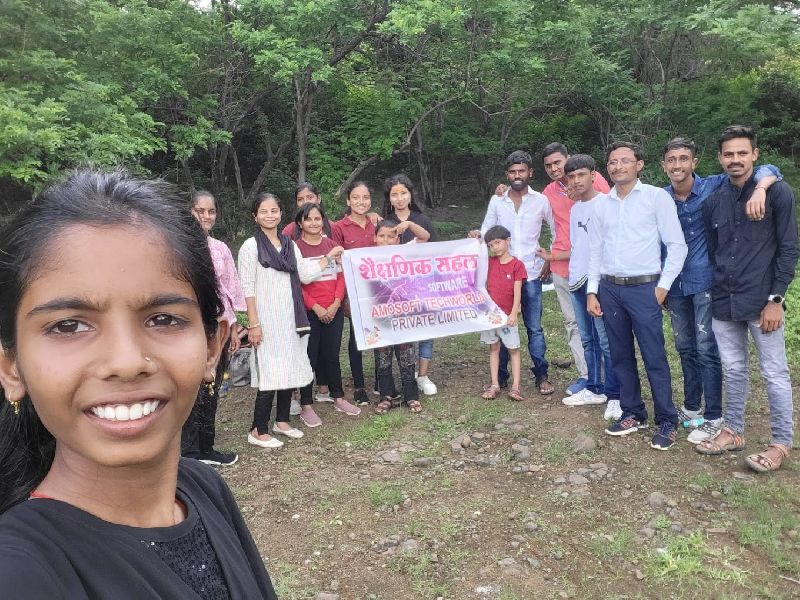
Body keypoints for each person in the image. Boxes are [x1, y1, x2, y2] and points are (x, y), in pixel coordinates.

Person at [0, 169, 277, 598]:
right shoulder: (19, 574)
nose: (127, 363)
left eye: (163, 319)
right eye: (69, 325)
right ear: (11, 367)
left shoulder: (204, 488)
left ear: (212, 346)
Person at [661, 137, 781, 444]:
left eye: (683, 158)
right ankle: (692, 406)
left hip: (706, 281)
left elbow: (769, 169)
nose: (677, 165)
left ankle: (714, 415)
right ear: (663, 165)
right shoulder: (659, 197)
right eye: (672, 160)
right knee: (684, 346)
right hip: (675, 284)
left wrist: (761, 188)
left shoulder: (713, 186)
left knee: (706, 348)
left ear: (695, 162)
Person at [697, 125, 798, 472]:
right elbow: (715, 251)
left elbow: (788, 249)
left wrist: (775, 299)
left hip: (762, 301)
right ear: (720, 159)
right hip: (724, 300)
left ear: (755, 154)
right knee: (734, 369)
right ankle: (733, 431)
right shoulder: (713, 202)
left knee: (774, 372)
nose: (735, 159)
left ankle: (781, 443)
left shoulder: (778, 193)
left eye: (742, 152)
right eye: (729, 154)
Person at [587, 142, 687, 450]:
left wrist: (663, 286)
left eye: (625, 160)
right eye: (612, 162)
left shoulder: (656, 198)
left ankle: (667, 419)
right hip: (610, 288)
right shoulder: (601, 205)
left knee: (653, 355)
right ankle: (633, 412)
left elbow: (677, 245)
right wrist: (592, 290)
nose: (618, 166)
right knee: (620, 354)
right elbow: (595, 250)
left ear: (639, 165)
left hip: (645, 288)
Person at [238, 192, 334, 448]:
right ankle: (257, 429)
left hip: (290, 318)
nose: (270, 215)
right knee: (270, 370)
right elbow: (247, 288)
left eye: (274, 211)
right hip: (266, 320)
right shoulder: (250, 247)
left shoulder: (290, 245)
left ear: (281, 214)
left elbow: (305, 274)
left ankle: (281, 421)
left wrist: (328, 258)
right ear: (255, 216)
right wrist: (254, 324)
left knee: (288, 367)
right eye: (264, 211)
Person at [469, 150, 556, 395]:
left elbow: (555, 229)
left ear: (530, 173)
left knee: (534, 327)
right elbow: (487, 230)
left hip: (531, 272)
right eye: (512, 172)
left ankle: (541, 375)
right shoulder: (498, 200)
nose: (517, 175)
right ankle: (501, 377)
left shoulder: (541, 201)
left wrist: (550, 257)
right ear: (507, 174)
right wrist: (476, 235)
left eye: (522, 171)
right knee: (502, 322)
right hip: (502, 274)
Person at [536, 143, 611, 396]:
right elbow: (550, 225)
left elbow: (607, 215)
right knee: (573, 324)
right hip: (562, 266)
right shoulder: (548, 192)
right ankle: (587, 376)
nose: (553, 168)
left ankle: (609, 378)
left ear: (568, 159)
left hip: (593, 267)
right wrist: (549, 259)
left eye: (557, 162)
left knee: (600, 325)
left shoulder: (593, 181)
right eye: (548, 165)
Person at [180, 190, 245, 467]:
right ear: (189, 211)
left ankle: (206, 448)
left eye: (211, 211)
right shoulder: (178, 246)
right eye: (200, 211)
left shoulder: (220, 249)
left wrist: (234, 326)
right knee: (190, 387)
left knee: (212, 386)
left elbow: (231, 288)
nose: (206, 216)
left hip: (219, 326)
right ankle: (188, 452)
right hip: (189, 326)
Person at [561, 155, 622, 419]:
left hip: (597, 281)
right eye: (571, 177)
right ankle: (595, 387)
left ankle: (616, 394)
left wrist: (596, 285)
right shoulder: (575, 208)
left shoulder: (606, 204)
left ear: (593, 175)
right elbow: (577, 246)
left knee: (606, 340)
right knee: (588, 339)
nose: (576, 181)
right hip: (576, 279)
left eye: (581, 175)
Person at [293, 203, 361, 425]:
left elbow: (341, 277)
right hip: (309, 312)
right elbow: (297, 284)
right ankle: (306, 404)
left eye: (317, 218)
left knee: (332, 355)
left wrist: (336, 303)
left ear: (323, 221)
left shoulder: (332, 245)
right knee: (309, 357)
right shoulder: (296, 248)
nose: (314, 223)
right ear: (300, 223)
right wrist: (316, 307)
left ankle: (338, 397)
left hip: (334, 310)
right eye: (308, 219)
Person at [382, 174, 438, 396]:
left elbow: (434, 249)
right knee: (400, 331)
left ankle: (422, 375)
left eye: (403, 193)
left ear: (411, 194)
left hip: (421, 286)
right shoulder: (384, 221)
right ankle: (401, 375)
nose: (399, 198)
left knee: (426, 329)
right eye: (394, 194)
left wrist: (410, 225)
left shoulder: (421, 220)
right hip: (395, 289)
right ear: (388, 197)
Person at [371, 219, 426, 415]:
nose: (386, 240)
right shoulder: (365, 257)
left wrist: (409, 224)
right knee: (382, 358)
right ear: (374, 237)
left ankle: (411, 395)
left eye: (390, 236)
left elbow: (424, 237)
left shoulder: (405, 251)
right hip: (380, 317)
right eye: (381, 236)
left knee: (406, 356)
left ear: (398, 238)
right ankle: (387, 396)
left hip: (404, 316)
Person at [332, 181, 378, 406]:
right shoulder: (339, 227)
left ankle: (381, 380)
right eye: (356, 197)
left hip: (377, 290)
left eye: (366, 197)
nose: (361, 202)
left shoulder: (376, 223)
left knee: (380, 333)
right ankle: (359, 386)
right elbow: (337, 263)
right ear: (348, 200)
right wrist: (345, 298)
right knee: (356, 337)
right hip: (353, 293)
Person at [479, 226, 527, 402]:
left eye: (498, 242)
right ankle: (495, 384)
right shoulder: (489, 263)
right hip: (490, 315)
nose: (495, 247)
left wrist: (514, 312)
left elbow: (517, 291)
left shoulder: (517, 265)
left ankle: (515, 387)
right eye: (491, 245)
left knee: (513, 349)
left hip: (507, 316)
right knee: (493, 348)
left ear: (508, 241)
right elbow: (476, 258)